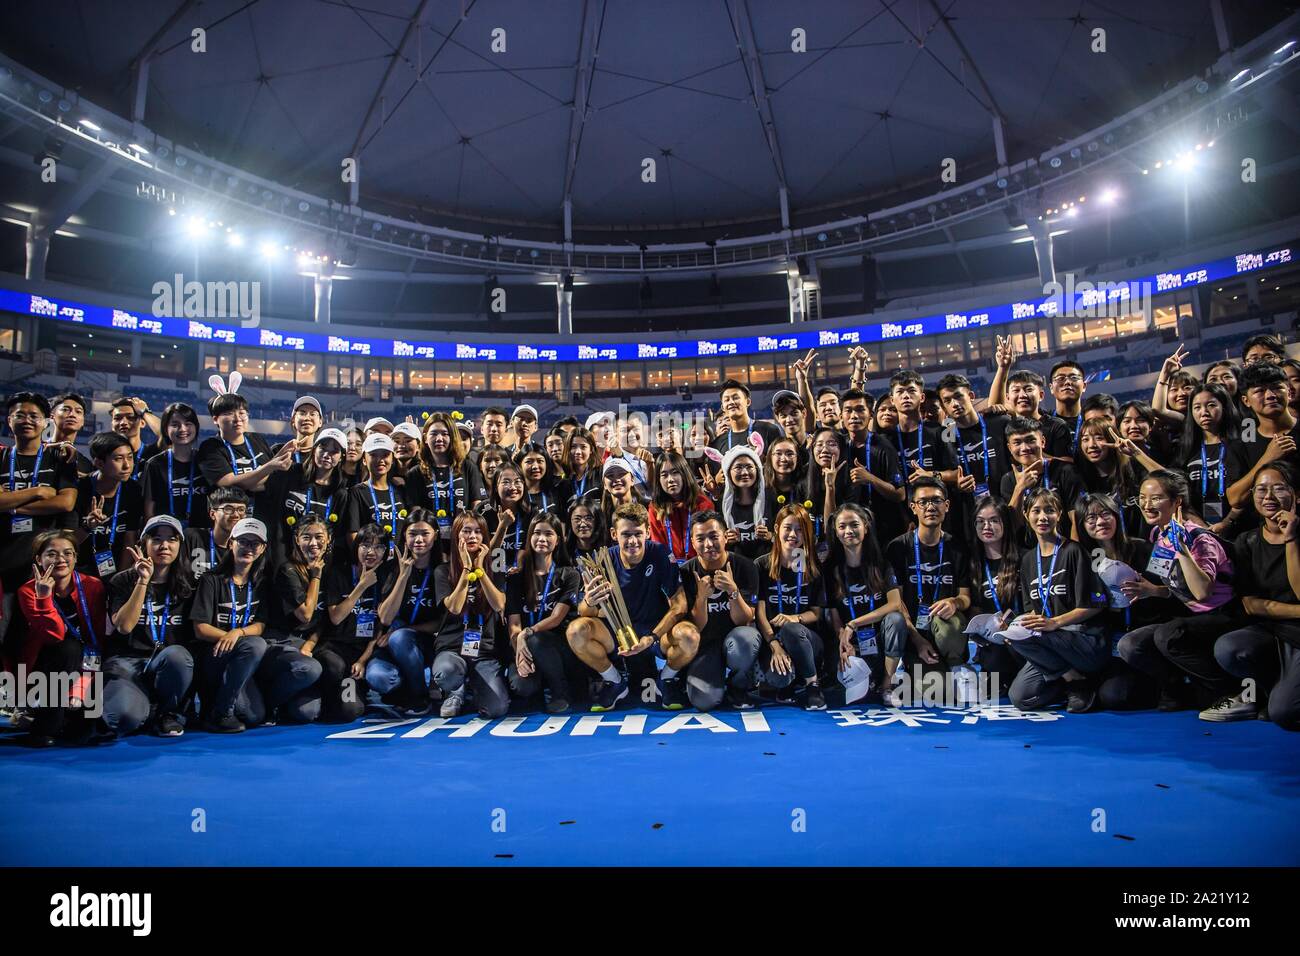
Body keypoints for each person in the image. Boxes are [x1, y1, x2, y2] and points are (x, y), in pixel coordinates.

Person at [1117, 470, 1238, 711]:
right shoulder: (1158, 534)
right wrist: (1153, 591)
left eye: (1156, 498)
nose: (1146, 504)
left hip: (1222, 614)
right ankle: (1178, 689)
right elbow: (1177, 587)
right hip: (1190, 615)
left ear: (1177, 502)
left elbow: (1202, 592)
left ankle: (1231, 692)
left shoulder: (1199, 538)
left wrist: (1182, 550)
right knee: (1130, 645)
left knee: (1168, 635)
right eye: (1142, 497)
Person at [1203, 463, 1300, 725]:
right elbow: (1249, 604)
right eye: (1261, 490)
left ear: (1296, 495)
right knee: (1229, 647)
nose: (1268, 497)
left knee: (1284, 714)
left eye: (1278, 489)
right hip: (1271, 631)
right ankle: (1272, 689)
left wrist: (1291, 539)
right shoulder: (1247, 541)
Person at [566, 502, 687, 711]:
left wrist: (652, 637)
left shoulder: (659, 553)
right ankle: (614, 681)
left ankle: (665, 679)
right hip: (617, 633)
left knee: (689, 636)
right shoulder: (603, 559)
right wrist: (589, 601)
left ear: (648, 532)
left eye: (638, 533)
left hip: (654, 631)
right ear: (614, 534)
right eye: (625, 534)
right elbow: (586, 612)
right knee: (576, 631)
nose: (632, 541)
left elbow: (680, 605)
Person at [1006, 488, 1109, 712]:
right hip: (1050, 642)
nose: (1043, 517)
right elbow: (1030, 612)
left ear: (1059, 514)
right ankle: (1071, 679)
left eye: (1049, 510)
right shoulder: (1027, 561)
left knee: (1022, 639)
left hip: (1082, 638)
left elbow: (1095, 604)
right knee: (1020, 698)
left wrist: (1055, 622)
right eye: (1036, 511)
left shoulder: (1075, 551)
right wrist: (1010, 626)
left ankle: (1077, 681)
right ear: (1026, 515)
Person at [1075, 493, 1177, 711]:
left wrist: (1154, 591)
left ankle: (1173, 684)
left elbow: (1179, 594)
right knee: (1114, 698)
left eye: (1105, 514)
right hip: (1114, 641)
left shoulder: (1149, 548)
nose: (1100, 522)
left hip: (1151, 632)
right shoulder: (1087, 561)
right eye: (1091, 518)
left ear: (1117, 516)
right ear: (1083, 525)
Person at [103, 516, 196, 738]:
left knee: (178, 656)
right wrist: (143, 581)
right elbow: (124, 627)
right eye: (156, 539)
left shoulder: (191, 584)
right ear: (144, 544)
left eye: (171, 539)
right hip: (127, 661)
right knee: (124, 719)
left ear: (179, 546)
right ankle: (146, 706)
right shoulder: (122, 580)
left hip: (166, 662)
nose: (164, 545)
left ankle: (167, 713)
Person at [15, 530, 107, 746]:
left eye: (68, 553)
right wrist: (44, 597)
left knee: (83, 735)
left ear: (76, 557)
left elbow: (98, 637)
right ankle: (45, 726)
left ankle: (70, 713)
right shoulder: (28, 591)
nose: (61, 559)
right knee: (68, 648)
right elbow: (54, 634)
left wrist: (83, 683)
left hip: (88, 662)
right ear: (39, 559)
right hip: (45, 664)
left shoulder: (93, 585)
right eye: (52, 554)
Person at [190, 517, 273, 733]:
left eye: (254, 543)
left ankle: (221, 702)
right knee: (255, 645)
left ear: (263, 548)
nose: (248, 548)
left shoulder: (262, 582)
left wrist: (238, 632)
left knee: (255, 716)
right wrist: (228, 637)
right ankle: (220, 713)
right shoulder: (211, 579)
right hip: (214, 654)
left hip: (241, 653)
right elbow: (200, 628)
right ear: (231, 543)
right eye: (243, 541)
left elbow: (261, 624)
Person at [676, 510, 763, 710]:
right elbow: (696, 627)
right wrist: (701, 598)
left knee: (747, 639)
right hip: (705, 644)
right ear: (692, 541)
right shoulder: (685, 573)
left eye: (714, 536)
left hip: (735, 638)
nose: (708, 544)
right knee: (703, 701)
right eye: (701, 538)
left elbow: (744, 620)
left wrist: (733, 591)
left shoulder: (745, 566)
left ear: (725, 537)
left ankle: (738, 684)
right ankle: (709, 678)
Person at [0, 393, 78, 614]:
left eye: (34, 416)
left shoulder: (61, 457)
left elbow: (65, 502)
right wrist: (39, 491)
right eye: (20, 415)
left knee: (37, 635)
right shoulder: (1, 457)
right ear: (9, 420)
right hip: (5, 561)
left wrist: (12, 505)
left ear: (46, 421)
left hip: (45, 565)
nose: (27, 421)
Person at [885, 478, 972, 672]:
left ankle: (957, 666)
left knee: (952, 625)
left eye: (936, 500)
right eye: (923, 502)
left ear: (947, 506)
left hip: (944, 627)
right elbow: (896, 604)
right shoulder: (898, 548)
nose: (930, 507)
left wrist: (954, 603)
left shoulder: (957, 547)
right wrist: (917, 640)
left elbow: (965, 597)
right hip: (913, 632)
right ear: (913, 507)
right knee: (936, 691)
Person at [825, 503, 910, 699]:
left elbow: (895, 604)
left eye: (854, 525)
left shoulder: (881, 562)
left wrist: (854, 623)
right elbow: (835, 616)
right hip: (851, 643)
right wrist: (844, 643)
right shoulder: (831, 569)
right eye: (842, 526)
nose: (849, 531)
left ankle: (887, 685)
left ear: (865, 526)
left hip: (879, 639)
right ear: (836, 532)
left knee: (896, 620)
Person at [428, 512, 509, 718]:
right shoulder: (442, 571)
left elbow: (498, 604)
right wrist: (466, 569)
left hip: (483, 651)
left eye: (478, 532)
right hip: (452, 648)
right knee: (446, 672)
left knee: (497, 708)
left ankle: (476, 687)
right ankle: (454, 691)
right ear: (456, 536)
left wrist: (480, 569)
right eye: (466, 531)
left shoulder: (494, 569)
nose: (472, 536)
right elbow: (454, 607)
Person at [505, 513, 583, 713]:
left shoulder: (569, 574)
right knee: (521, 686)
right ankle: (539, 685)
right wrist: (519, 651)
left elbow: (556, 618)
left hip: (559, 648)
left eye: (549, 534)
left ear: (558, 540)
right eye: (537, 533)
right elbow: (514, 623)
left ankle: (560, 691)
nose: (542, 539)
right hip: (526, 646)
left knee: (537, 639)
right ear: (529, 537)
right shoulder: (516, 578)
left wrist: (527, 633)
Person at [754, 503, 828, 710]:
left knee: (792, 629)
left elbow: (816, 613)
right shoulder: (761, 565)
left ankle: (813, 685)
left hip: (807, 640)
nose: (793, 534)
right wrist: (774, 645)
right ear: (776, 529)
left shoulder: (812, 567)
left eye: (799, 529)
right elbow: (759, 614)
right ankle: (791, 681)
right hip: (773, 640)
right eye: (788, 528)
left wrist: (794, 618)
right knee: (779, 678)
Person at [369, 510, 442, 714]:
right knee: (379, 678)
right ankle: (404, 687)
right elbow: (385, 617)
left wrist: (404, 629)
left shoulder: (442, 569)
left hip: (427, 642)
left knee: (400, 638)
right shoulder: (390, 568)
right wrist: (403, 577)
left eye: (424, 533)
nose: (418, 539)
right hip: (392, 645)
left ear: (435, 535)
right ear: (404, 537)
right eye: (412, 534)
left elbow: (443, 621)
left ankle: (419, 695)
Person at [261, 514, 329, 724]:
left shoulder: (331, 569)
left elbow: (325, 619)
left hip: (307, 642)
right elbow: (306, 614)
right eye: (306, 537)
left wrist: (310, 644)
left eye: (319, 537)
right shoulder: (287, 570)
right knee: (310, 669)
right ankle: (267, 702)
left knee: (306, 713)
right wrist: (316, 577)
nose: (313, 543)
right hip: (281, 640)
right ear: (297, 540)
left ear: (329, 539)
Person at [320, 523, 390, 723]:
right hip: (334, 648)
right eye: (366, 545)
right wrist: (361, 587)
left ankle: (354, 690)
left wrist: (363, 660)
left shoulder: (385, 577)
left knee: (351, 711)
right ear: (356, 546)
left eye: (379, 547)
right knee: (334, 666)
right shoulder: (338, 573)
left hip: (360, 652)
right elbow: (336, 617)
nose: (371, 552)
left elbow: (380, 627)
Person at [265, 427, 348, 565]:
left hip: (318, 563)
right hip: (283, 559)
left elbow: (337, 535)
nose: (327, 454)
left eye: (334, 451)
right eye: (323, 448)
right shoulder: (292, 473)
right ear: (314, 449)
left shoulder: (340, 493)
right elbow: (260, 485)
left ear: (341, 458)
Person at [967, 496, 1024, 692]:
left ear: (1005, 523)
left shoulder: (1026, 558)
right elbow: (974, 609)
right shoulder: (973, 565)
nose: (987, 526)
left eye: (994, 520)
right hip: (993, 641)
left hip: (1025, 638)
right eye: (981, 521)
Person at [1227, 363, 1300, 510]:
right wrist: (1267, 458)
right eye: (1260, 391)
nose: (1270, 395)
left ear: (1289, 392)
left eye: (1277, 388)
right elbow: (1235, 499)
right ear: (1246, 400)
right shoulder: (1242, 445)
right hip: (1263, 530)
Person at [838, 388, 905, 545]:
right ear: (841, 416)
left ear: (870, 415)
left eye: (860, 409)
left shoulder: (883, 446)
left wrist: (870, 479)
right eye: (848, 410)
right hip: (848, 529)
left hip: (883, 529)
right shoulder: (838, 446)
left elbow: (900, 494)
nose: (854, 416)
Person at [405, 413, 486, 542]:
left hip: (462, 539)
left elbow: (477, 506)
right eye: (434, 434)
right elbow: (416, 513)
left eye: (445, 434)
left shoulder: (467, 467)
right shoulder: (415, 473)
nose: (439, 438)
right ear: (425, 438)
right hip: (430, 543)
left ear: (452, 437)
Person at [987, 336, 1073, 456]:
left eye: (1028, 389)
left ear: (1041, 395)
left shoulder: (1056, 426)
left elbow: (1068, 463)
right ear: (1007, 398)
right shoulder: (1006, 425)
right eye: (1016, 390)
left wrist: (1032, 454)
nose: (1022, 395)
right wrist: (1002, 368)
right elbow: (995, 408)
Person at [73, 432, 142, 578]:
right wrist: (87, 527)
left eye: (130, 457)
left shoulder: (133, 490)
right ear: (99, 463)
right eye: (118, 459)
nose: (127, 465)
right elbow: (65, 542)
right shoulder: (80, 489)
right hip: (79, 571)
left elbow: (129, 540)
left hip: (115, 569)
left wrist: (120, 580)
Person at [1001, 416, 1082, 537]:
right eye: (1017, 442)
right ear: (1009, 448)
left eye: (1030, 440)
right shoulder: (1008, 480)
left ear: (1042, 442)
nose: (1025, 448)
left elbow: (1077, 520)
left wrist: (1073, 553)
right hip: (1028, 552)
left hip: (1063, 547)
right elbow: (1012, 526)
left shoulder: (1066, 471)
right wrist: (1020, 488)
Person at [196, 391, 288, 497]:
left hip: (263, 509)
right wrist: (267, 468)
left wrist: (281, 455)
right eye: (229, 413)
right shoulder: (210, 447)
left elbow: (273, 479)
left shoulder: (257, 439)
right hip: (231, 510)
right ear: (216, 419)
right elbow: (227, 483)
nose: (237, 419)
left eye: (241, 413)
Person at [141, 402, 209, 530]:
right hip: (166, 536)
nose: (183, 429)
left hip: (201, 535)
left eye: (188, 424)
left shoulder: (206, 461)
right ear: (166, 430)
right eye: (175, 425)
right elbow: (149, 508)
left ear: (196, 427)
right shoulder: (154, 464)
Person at [343, 433, 408, 550]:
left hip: (399, 563)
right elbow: (353, 534)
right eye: (373, 455)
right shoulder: (357, 492)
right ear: (364, 460)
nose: (380, 460)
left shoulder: (401, 490)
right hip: (370, 562)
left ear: (392, 459)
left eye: (385, 455)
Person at [648, 451, 712, 565]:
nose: (670, 479)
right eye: (664, 475)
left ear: (684, 474)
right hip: (669, 568)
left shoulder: (703, 504)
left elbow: (708, 543)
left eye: (675, 472)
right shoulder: (655, 508)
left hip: (700, 565)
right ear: (658, 479)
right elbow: (658, 546)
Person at [718, 446, 773, 561]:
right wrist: (725, 540)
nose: (744, 472)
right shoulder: (722, 504)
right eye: (738, 467)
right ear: (728, 473)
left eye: (749, 467)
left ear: (757, 470)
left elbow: (783, 533)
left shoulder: (770, 497)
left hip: (766, 565)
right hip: (736, 566)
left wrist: (770, 536)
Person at [183, 486, 249, 579]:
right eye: (228, 509)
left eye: (241, 509)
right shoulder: (192, 537)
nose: (236, 515)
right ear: (212, 514)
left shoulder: (246, 547)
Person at [709, 379, 783, 456]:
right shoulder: (718, 443)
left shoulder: (769, 430)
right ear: (723, 407)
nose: (731, 402)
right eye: (726, 400)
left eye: (735, 398)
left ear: (748, 402)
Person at [484, 462, 533, 574]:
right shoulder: (483, 511)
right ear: (496, 487)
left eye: (518, 482)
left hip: (520, 574)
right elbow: (484, 553)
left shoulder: (531, 512)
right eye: (506, 482)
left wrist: (519, 564)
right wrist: (503, 526)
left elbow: (528, 546)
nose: (513, 487)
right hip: (489, 573)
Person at [108, 396, 161, 481]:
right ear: (112, 425)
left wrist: (145, 412)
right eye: (117, 418)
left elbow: (167, 434)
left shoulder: (153, 454)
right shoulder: (105, 456)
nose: (123, 422)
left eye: (130, 417)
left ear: (143, 423)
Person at [1048, 360, 1088, 453]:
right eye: (1060, 378)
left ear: (1084, 386)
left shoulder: (1091, 420)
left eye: (1074, 378)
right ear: (1051, 388)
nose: (1067, 382)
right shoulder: (1044, 422)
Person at [50, 393, 92, 476]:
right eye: (65, 410)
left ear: (83, 421)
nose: (72, 415)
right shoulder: (36, 452)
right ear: (51, 417)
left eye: (78, 411)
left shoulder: (86, 465)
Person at [272, 396, 323, 464]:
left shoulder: (322, 455)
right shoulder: (278, 450)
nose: (307, 418)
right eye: (302, 413)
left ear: (320, 422)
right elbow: (264, 473)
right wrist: (279, 455)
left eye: (313, 414)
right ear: (293, 420)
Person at [561, 427, 601, 513]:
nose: (578, 451)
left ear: (591, 450)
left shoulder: (600, 474)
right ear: (568, 450)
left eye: (583, 447)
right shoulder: (563, 484)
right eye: (573, 447)